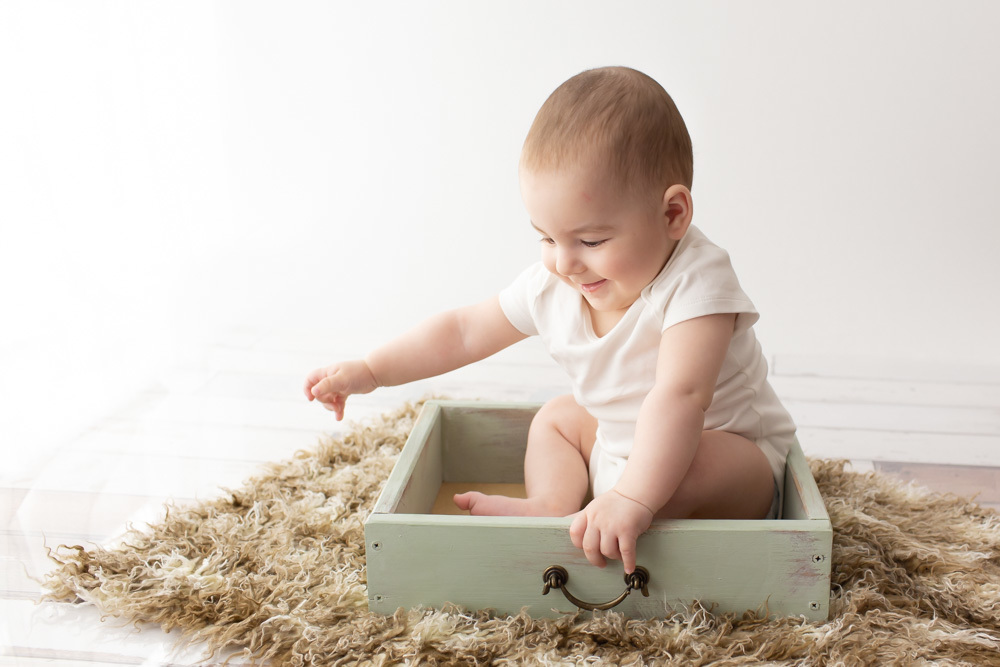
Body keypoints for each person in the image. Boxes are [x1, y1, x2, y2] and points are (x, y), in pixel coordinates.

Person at [304, 66, 797, 575]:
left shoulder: (697, 282)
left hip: (732, 468)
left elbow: (681, 397)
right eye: (546, 237)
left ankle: (622, 510)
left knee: (689, 463)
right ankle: (551, 505)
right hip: (622, 451)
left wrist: (633, 496)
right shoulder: (558, 282)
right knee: (558, 418)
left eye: (591, 241)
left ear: (672, 214)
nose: (565, 262)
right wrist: (372, 369)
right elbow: (464, 330)